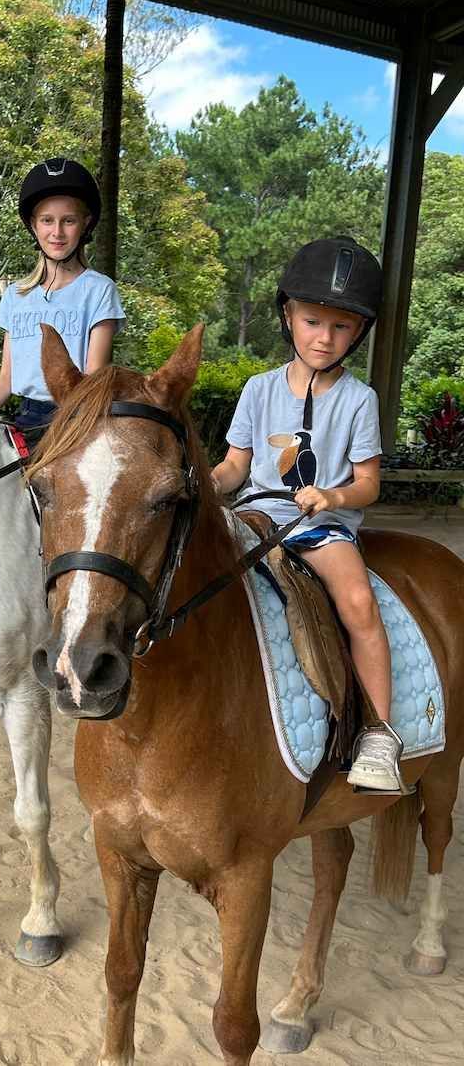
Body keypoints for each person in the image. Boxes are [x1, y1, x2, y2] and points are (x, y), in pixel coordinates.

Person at [211, 235, 407, 793]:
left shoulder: (358, 400)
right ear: (288, 317)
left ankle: (379, 735)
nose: (325, 337)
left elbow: (368, 483)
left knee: (358, 601)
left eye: (341, 327)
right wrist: (204, 483)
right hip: (257, 514)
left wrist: (333, 497)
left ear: (359, 333)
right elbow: (234, 467)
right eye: (313, 321)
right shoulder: (258, 389)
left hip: (322, 524)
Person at [0, 158, 125, 431]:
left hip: (76, 418)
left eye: (68, 221)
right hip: (25, 419)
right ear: (34, 225)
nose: (57, 232)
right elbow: (7, 378)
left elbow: (93, 379)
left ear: (85, 224)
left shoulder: (99, 290)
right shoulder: (15, 295)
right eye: (47, 221)